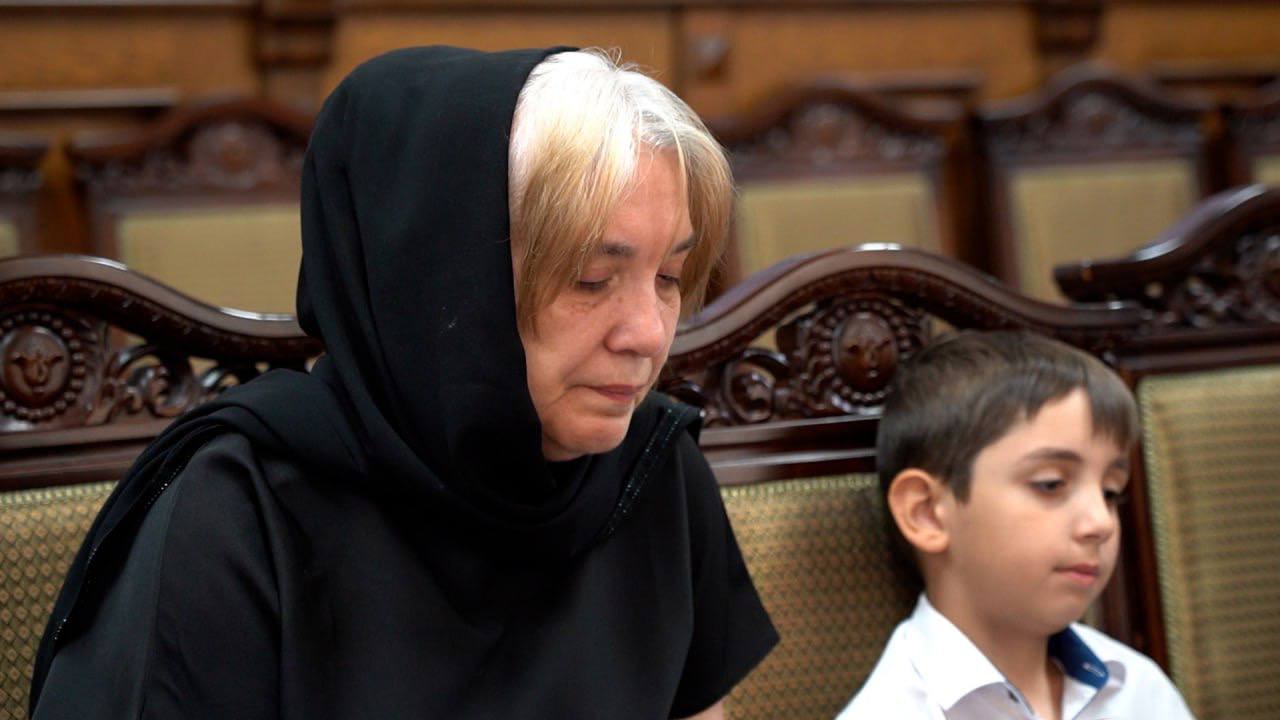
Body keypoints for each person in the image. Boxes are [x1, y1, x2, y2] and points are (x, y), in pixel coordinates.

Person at [29, 46, 777, 720]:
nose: (648, 334)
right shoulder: (237, 516)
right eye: (590, 279)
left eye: (669, 277)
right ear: (444, 279)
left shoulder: (654, 472)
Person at [835, 331, 1194, 720]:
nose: (1100, 522)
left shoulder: (1137, 689)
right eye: (1050, 484)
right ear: (927, 513)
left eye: (1110, 492)